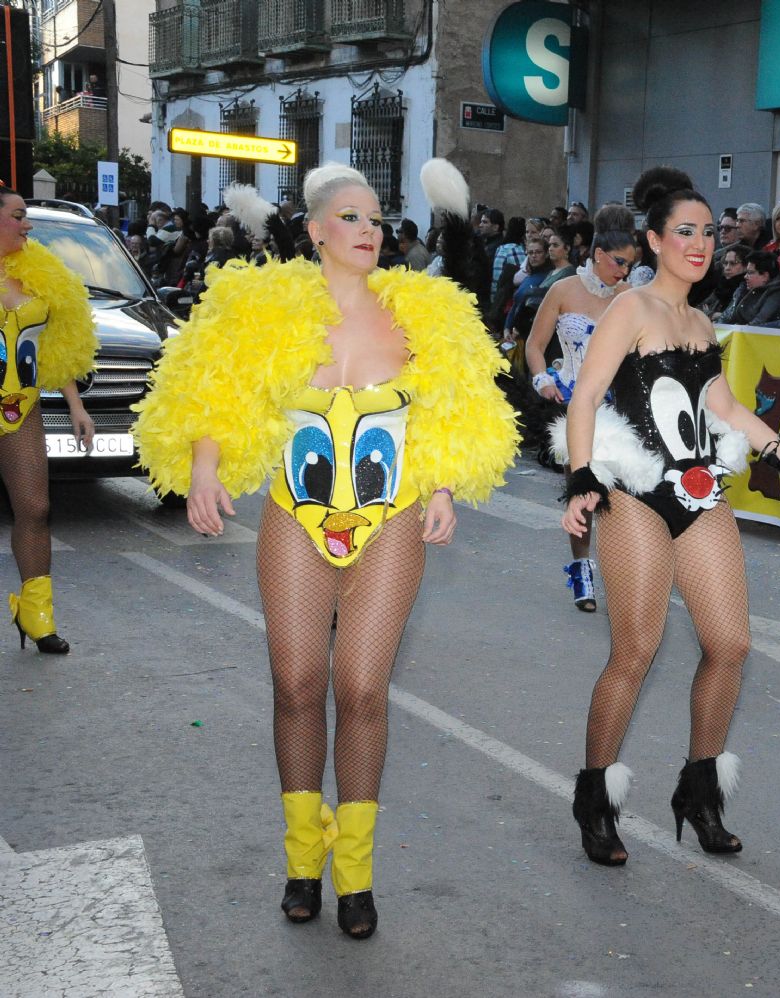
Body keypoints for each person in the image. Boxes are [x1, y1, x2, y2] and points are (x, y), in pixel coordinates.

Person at [133, 162, 521, 936]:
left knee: (364, 689)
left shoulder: (424, 311)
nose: (369, 229)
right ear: (314, 231)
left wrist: (442, 486)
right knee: (297, 685)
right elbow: (214, 388)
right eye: (350, 217)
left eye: (376, 218)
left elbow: (454, 408)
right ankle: (303, 862)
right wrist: (205, 466)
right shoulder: (265, 308)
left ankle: (357, 876)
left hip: (390, 519)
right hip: (295, 519)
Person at [554, 166, 780, 866]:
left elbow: (724, 406)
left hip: (699, 491)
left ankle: (700, 794)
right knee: (635, 651)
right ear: (654, 240)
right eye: (684, 232)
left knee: (731, 645)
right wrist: (580, 481)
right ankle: (595, 803)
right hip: (634, 494)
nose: (700, 243)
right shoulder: (630, 308)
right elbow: (585, 396)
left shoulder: (699, 320)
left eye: (709, 232)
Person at [0, 185, 98, 654]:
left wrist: (76, 406)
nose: (27, 224)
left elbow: (57, 344)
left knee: (35, 508)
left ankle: (36, 613)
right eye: (19, 215)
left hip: (20, 406)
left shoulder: (40, 270)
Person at [525, 222, 640, 611]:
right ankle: (581, 570)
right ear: (598, 255)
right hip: (574, 403)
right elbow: (535, 345)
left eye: (631, 264)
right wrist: (542, 379)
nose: (624, 272)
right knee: (582, 489)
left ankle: (624, 575)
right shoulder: (563, 289)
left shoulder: (630, 297)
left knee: (623, 494)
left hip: (618, 405)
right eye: (620, 262)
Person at [718, 250, 780, 326]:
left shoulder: (778, 293)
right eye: (746, 272)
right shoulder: (743, 287)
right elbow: (726, 316)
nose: (745, 276)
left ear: (765, 276)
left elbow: (758, 323)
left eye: (750, 273)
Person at [702, 242, 749, 319]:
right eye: (725, 263)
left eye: (733, 263)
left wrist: (712, 314)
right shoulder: (719, 285)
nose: (727, 268)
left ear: (746, 266)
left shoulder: (747, 288)